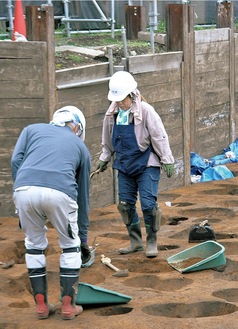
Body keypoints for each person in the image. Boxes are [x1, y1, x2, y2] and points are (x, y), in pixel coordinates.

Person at [11, 106, 91, 320]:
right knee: (69, 246)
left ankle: (42, 306)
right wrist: (82, 239)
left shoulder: (31, 130)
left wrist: (23, 195)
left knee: (34, 244)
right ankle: (68, 306)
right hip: (60, 193)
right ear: (76, 128)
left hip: (24, 188)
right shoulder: (80, 148)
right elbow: (82, 197)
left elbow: (15, 162)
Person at [97, 71, 174, 258]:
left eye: (122, 99)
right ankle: (135, 241)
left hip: (146, 162)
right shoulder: (111, 114)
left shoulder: (146, 111)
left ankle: (152, 241)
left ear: (131, 95)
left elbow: (158, 135)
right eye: (117, 100)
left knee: (148, 205)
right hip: (124, 164)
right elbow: (107, 139)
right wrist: (104, 157)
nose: (119, 103)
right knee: (125, 205)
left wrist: (167, 159)